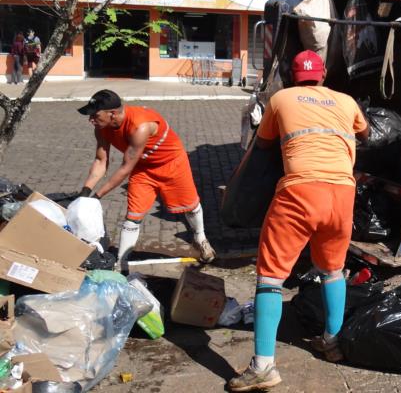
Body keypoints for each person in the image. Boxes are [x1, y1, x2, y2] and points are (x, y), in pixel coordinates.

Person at [229, 51, 369, 392]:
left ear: (292, 77)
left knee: (270, 277)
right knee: (332, 270)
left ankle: (263, 366)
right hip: (342, 195)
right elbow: (365, 134)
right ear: (323, 77)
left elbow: (262, 145)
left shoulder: (280, 98)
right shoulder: (347, 100)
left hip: (300, 193)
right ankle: (332, 342)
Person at [77, 89, 216, 268]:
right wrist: (85, 192)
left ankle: (200, 238)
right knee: (133, 216)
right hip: (144, 168)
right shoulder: (101, 128)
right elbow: (100, 160)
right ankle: (122, 265)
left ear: (112, 114)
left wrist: (97, 197)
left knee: (190, 206)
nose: (91, 120)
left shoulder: (139, 126)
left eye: (95, 115)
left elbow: (125, 167)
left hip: (172, 163)